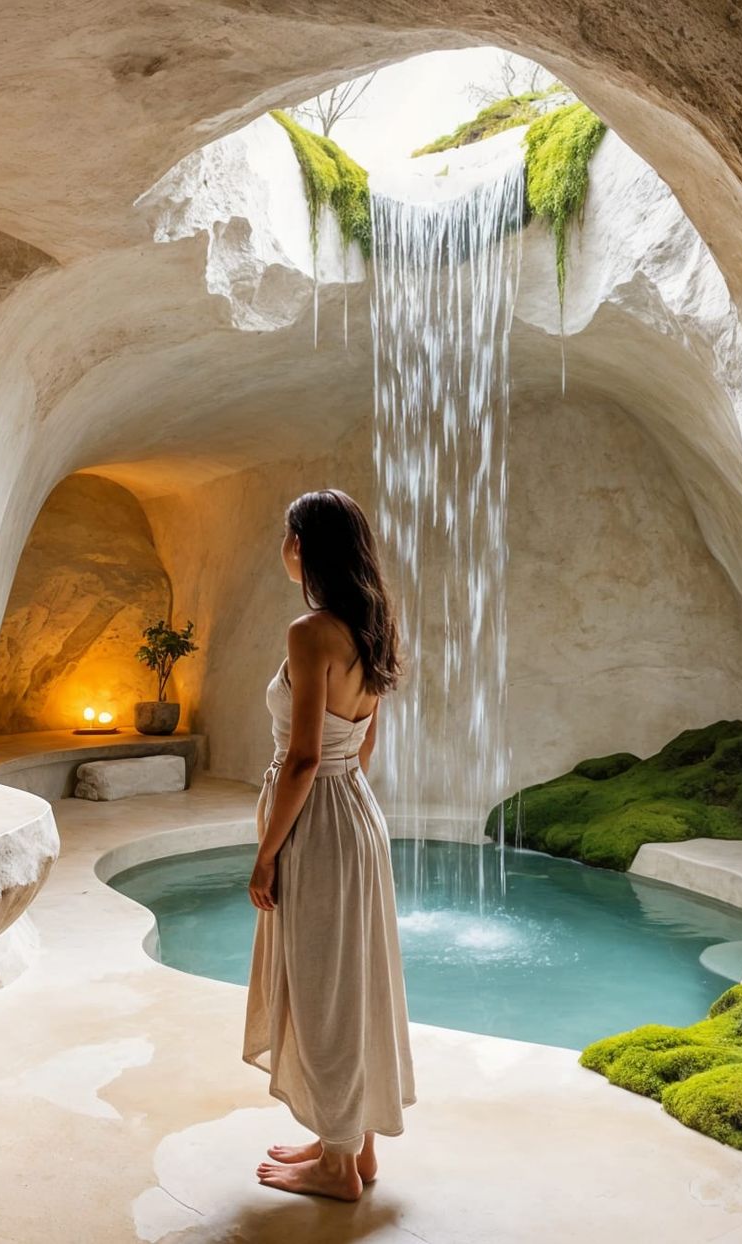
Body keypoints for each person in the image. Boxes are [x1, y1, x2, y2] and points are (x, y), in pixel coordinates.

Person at [243, 488, 415, 1201]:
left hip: (319, 816)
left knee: (323, 988)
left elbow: (304, 758)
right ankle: (353, 1144)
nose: (283, 546)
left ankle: (337, 1168)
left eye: (288, 535)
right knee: (354, 982)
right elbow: (361, 742)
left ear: (304, 546)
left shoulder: (310, 632)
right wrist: (345, 804)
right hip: (355, 814)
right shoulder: (371, 623)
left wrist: (267, 851)